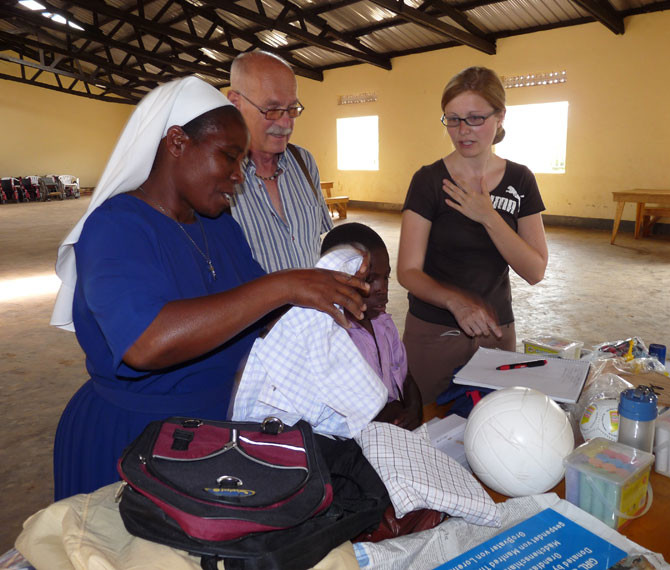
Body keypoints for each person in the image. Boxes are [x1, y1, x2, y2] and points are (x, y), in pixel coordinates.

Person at [49, 76, 369, 500]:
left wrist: (324, 289)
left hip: (213, 431)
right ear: (177, 142)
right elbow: (146, 343)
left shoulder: (218, 226)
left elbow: (260, 313)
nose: (240, 175)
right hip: (134, 440)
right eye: (230, 157)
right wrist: (283, 285)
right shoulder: (116, 227)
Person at [397, 66, 549, 404]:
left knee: (491, 432)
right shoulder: (428, 181)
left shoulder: (520, 181)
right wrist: (457, 303)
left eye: (475, 118)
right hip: (434, 333)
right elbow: (407, 270)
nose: (462, 131)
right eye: (452, 119)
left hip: (496, 334)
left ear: (500, 117)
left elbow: (535, 270)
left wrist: (488, 216)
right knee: (428, 430)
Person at [227, 50, 333, 273]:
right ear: (236, 103)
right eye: (273, 110)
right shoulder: (219, 177)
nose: (286, 123)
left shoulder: (304, 163)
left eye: (292, 109)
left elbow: (316, 246)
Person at [321, 223, 422, 430]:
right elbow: (339, 412)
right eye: (369, 280)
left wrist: (414, 409)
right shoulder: (333, 337)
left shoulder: (384, 324)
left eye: (386, 277)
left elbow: (406, 377)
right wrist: (387, 414)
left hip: (393, 431)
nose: (382, 289)